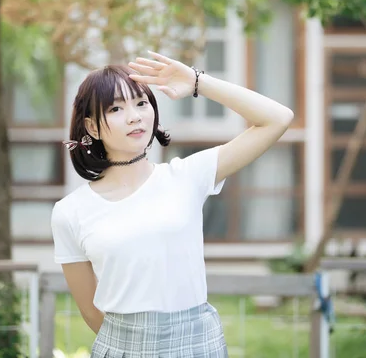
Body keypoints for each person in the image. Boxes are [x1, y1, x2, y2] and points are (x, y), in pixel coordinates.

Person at [51, 51, 294, 357]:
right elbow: (89, 310)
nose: (135, 116)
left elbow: (277, 119)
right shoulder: (70, 212)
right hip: (121, 347)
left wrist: (197, 82)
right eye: (116, 108)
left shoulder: (187, 176)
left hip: (198, 345)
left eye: (141, 103)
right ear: (93, 127)